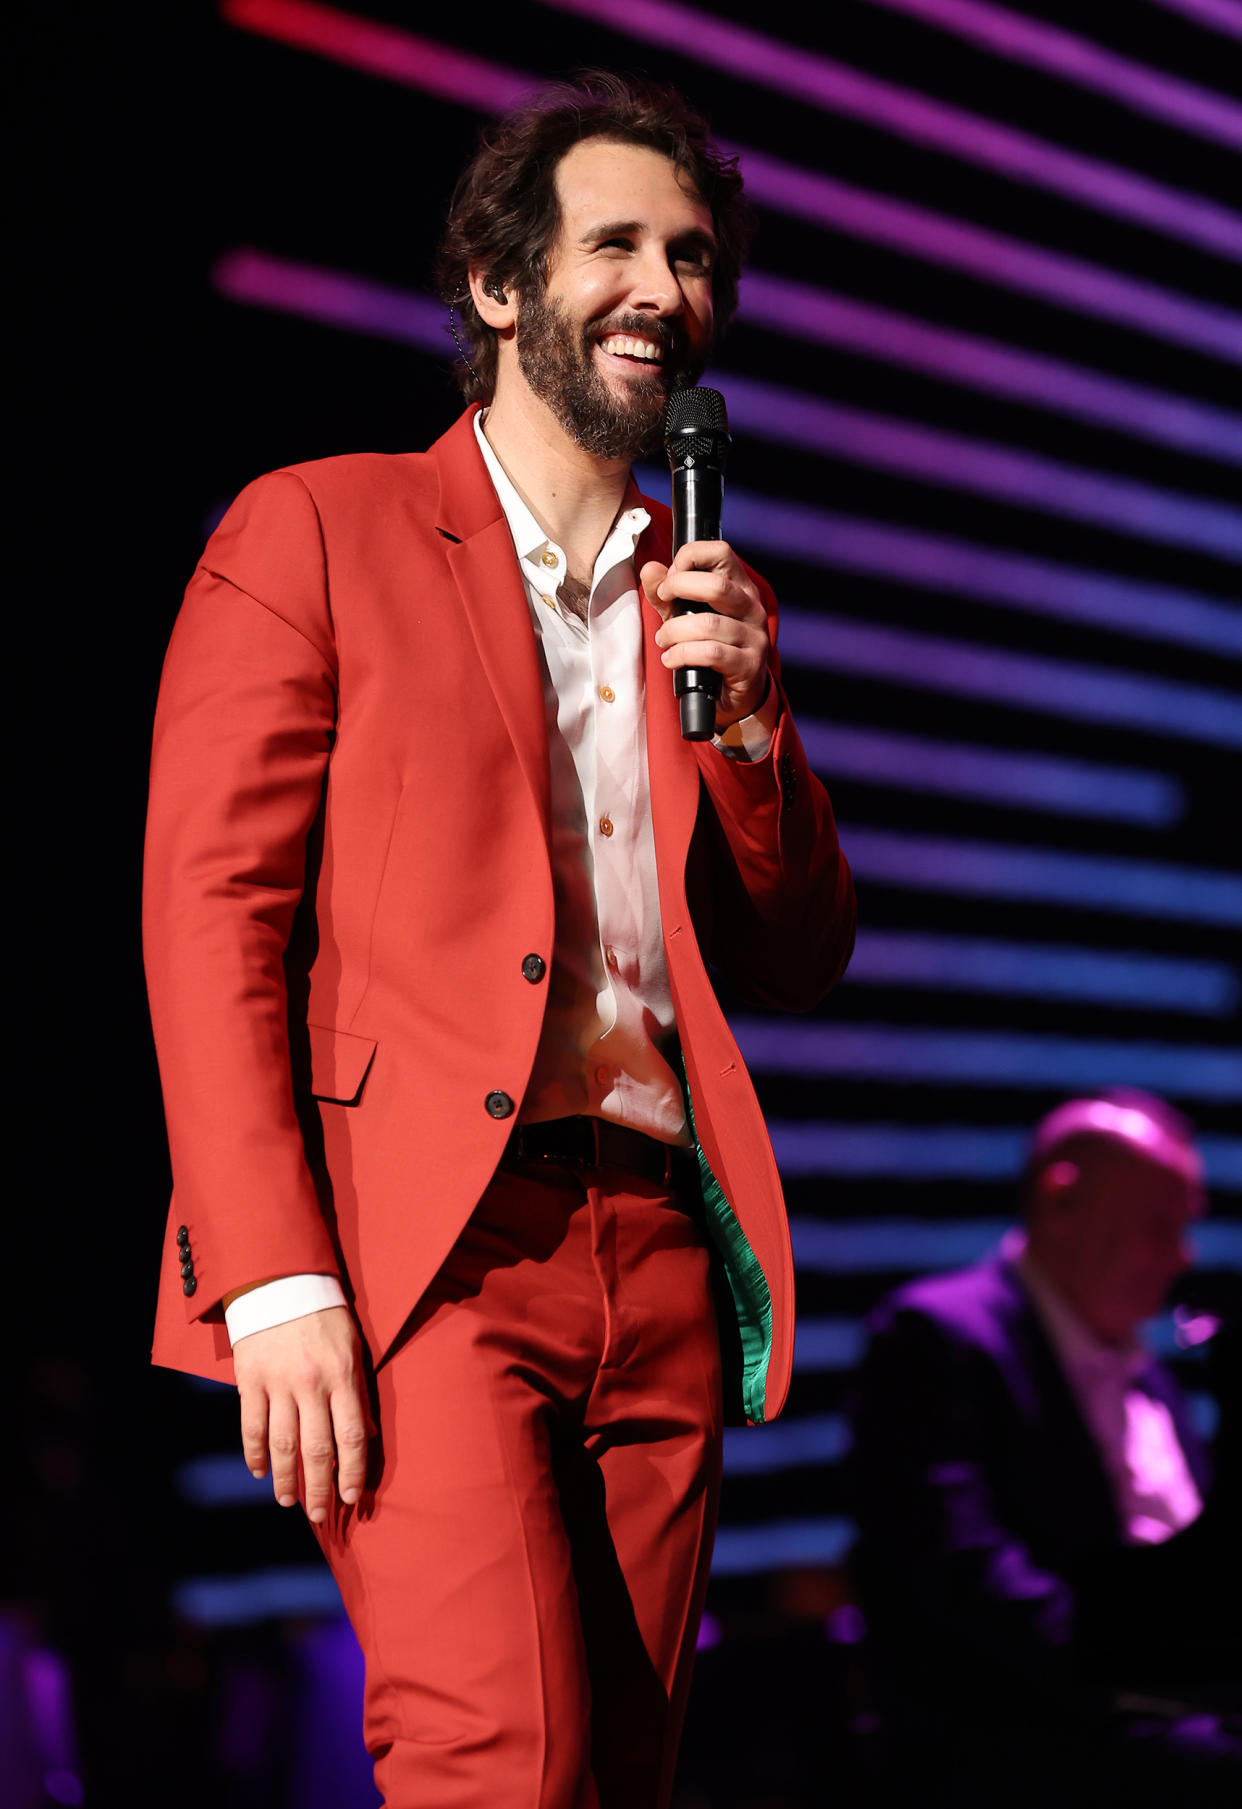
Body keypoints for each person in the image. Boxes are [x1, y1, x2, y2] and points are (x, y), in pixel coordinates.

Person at [143, 70, 856, 1807]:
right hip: (428, 1246)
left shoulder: (704, 593)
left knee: (618, 1766)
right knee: (498, 1762)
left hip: (660, 1246)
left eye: (690, 256)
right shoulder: (319, 527)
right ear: (497, 286)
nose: (662, 287)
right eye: (612, 241)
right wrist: (273, 1269)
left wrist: (755, 733)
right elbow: (207, 908)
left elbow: (795, 952)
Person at [849, 1090, 1241, 1808]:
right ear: (1062, 1198)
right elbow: (968, 1578)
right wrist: (1168, 1670)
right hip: (1027, 1739)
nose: (1183, 1257)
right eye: (1161, 1224)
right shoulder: (935, 1336)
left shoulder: (1149, 1370)